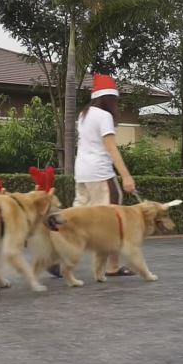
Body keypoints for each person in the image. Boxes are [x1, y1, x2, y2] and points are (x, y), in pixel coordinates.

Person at [48, 73, 137, 278]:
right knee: (113, 220)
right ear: (110, 98)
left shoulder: (84, 115)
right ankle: (113, 267)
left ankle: (56, 256)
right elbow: (112, 150)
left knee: (76, 218)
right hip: (101, 175)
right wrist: (126, 176)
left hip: (82, 174)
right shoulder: (104, 117)